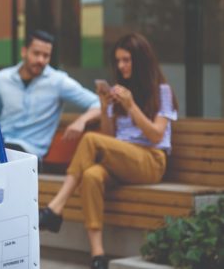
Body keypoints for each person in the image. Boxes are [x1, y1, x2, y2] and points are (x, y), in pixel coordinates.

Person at [38, 33, 178, 269]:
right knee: (91, 176)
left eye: (127, 60)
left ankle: (56, 207)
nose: (121, 66)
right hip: (122, 160)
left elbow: (156, 135)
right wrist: (105, 107)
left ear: (141, 61)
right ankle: (98, 256)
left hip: (150, 162)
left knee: (91, 139)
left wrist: (130, 105)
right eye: (118, 61)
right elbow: (110, 138)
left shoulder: (161, 91)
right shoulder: (120, 91)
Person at [0, 30, 101, 160]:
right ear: (24, 51)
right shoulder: (2, 78)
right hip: (1, 147)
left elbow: (98, 104)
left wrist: (81, 121)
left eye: (46, 56)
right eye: (36, 53)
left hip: (30, 153)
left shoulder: (58, 82)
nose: (41, 60)